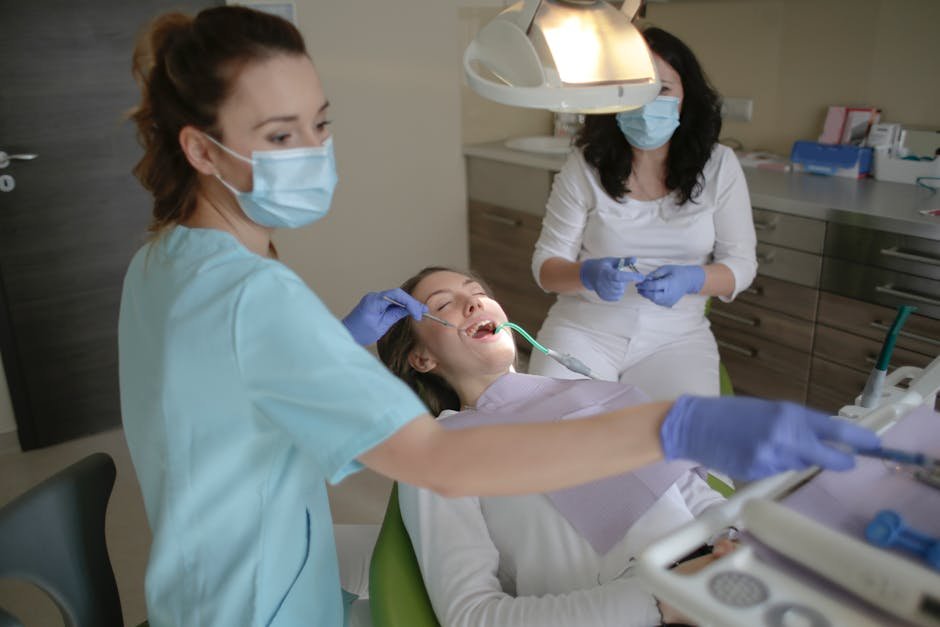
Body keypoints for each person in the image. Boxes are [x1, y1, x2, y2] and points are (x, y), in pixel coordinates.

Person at [118, 7, 877, 626]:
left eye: (320, 123)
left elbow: (247, 416)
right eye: (280, 136)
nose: (314, 151)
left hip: (211, 568)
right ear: (203, 150)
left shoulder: (162, 261)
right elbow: (442, 482)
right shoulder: (259, 298)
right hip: (252, 598)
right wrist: (674, 428)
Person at [378, 267, 740, 626]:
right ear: (422, 358)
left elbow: (695, 499)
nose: (472, 303)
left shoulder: (603, 396)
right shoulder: (439, 451)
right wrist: (660, 602)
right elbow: (472, 617)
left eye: (477, 293)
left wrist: (746, 542)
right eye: (443, 305)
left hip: (729, 587)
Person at [529, 27, 756, 400]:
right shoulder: (585, 166)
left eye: (662, 89)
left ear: (687, 95)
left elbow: (742, 265)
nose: (646, 103)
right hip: (585, 329)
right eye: (633, 90)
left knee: (680, 445)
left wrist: (692, 279)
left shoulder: (719, 166)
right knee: (558, 429)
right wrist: (586, 274)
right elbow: (545, 267)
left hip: (676, 337)